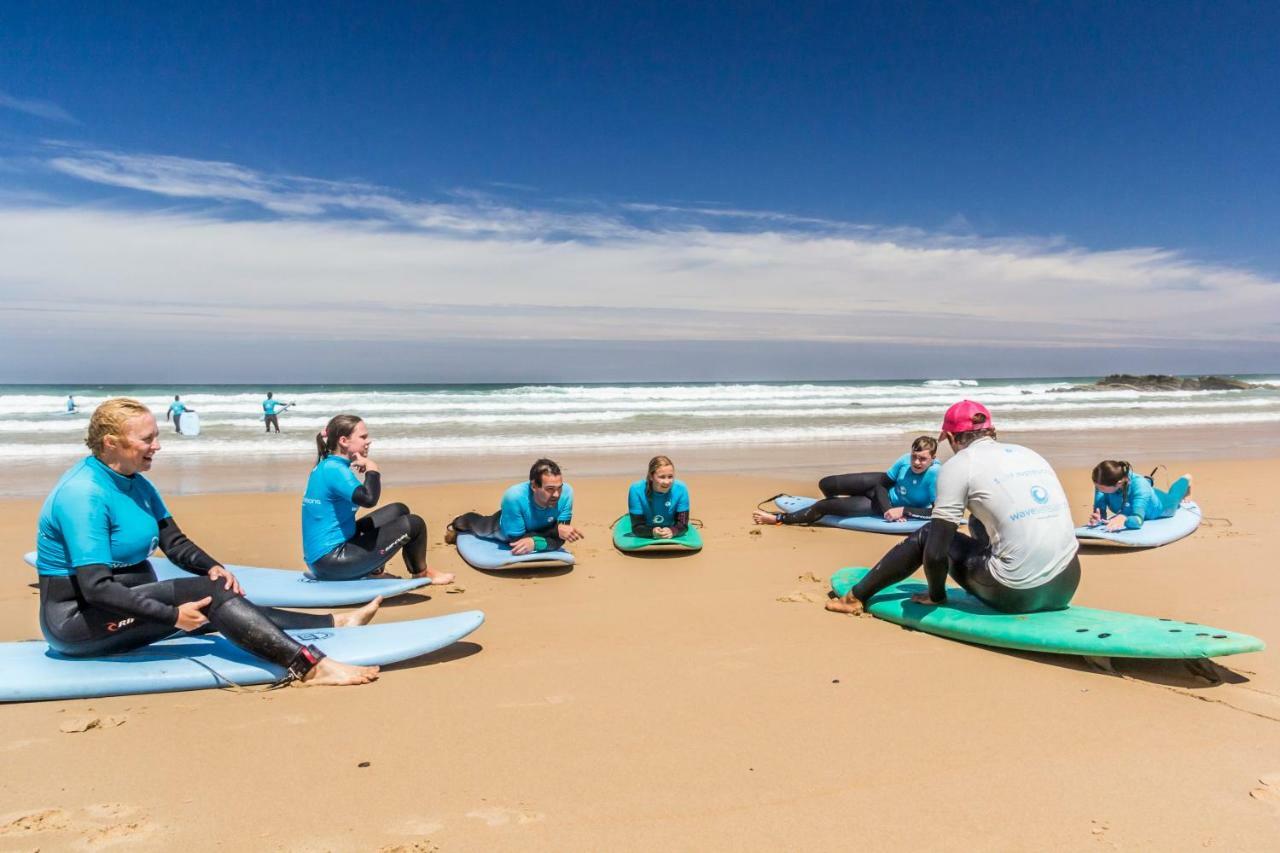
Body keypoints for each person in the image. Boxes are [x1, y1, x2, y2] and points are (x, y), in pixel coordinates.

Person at [34, 398, 379, 686]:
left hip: (122, 606)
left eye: (156, 436)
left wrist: (212, 566)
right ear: (111, 443)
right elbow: (96, 589)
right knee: (211, 598)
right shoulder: (84, 495)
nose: (157, 445)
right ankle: (310, 667)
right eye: (147, 439)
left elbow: (174, 541)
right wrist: (172, 616)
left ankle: (333, 622)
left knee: (218, 596)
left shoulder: (135, 482)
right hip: (80, 623)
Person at [827, 400, 1080, 616]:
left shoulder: (959, 465)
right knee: (977, 522)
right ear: (992, 431)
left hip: (1014, 593)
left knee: (928, 534)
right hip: (1067, 584)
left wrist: (936, 594)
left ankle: (854, 598)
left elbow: (936, 552)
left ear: (949, 437)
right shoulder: (1029, 454)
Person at [303, 414, 453, 584]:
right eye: (363, 437)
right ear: (344, 441)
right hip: (332, 562)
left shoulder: (329, 465)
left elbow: (361, 495)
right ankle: (421, 574)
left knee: (398, 510)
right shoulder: (335, 470)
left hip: (327, 556)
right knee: (414, 524)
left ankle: (375, 572)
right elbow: (368, 499)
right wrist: (372, 470)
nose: (369, 441)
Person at [753, 436, 941, 526]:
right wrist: (888, 510)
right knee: (826, 483)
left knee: (822, 506)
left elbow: (937, 511)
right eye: (914, 457)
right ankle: (839, 505)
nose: (916, 462)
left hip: (876, 504)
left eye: (923, 459)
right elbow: (882, 484)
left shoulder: (935, 475)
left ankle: (778, 518)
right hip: (880, 493)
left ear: (933, 458)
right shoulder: (903, 461)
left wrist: (902, 510)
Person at [446, 458, 583, 555]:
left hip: (542, 527)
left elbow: (562, 536)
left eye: (559, 488)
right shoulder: (514, 497)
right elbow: (518, 542)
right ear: (534, 486)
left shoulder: (567, 494)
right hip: (503, 529)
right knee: (478, 525)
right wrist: (545, 539)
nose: (556, 494)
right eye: (550, 489)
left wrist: (535, 542)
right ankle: (458, 522)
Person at [1089, 461, 1192, 531]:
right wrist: (1098, 519)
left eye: (1101, 487)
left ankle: (1186, 479)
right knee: (1140, 491)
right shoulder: (1102, 483)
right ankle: (1148, 482)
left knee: (1174, 497)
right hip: (1139, 494)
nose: (1098, 490)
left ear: (1119, 483)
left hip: (1160, 506)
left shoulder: (1140, 486)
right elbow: (1100, 512)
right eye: (1096, 486)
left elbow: (1138, 521)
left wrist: (1125, 519)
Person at [628, 455, 690, 538]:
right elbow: (637, 528)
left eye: (670, 476)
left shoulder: (681, 489)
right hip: (647, 527)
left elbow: (683, 525)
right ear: (651, 476)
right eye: (662, 477)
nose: (667, 482)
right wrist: (652, 532)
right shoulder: (636, 490)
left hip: (670, 526)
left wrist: (673, 531)